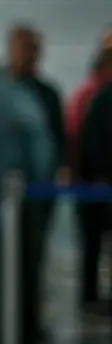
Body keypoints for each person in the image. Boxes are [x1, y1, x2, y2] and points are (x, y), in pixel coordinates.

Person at [0, 26, 60, 344]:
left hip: (34, 204)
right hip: (1, 204)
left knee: (29, 281)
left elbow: (55, 147)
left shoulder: (45, 95)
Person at [67, 46, 112, 318]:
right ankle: (90, 296)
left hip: (92, 181)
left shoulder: (93, 96)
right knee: (93, 242)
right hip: (94, 183)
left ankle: (91, 295)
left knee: (94, 242)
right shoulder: (94, 97)